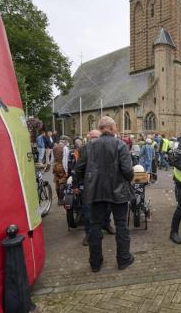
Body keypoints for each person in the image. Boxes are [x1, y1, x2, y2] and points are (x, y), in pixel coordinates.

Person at [73, 117, 135, 272]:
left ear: (100, 129)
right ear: (112, 128)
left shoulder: (88, 147)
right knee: (121, 225)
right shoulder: (120, 145)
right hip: (118, 191)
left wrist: (80, 184)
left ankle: (95, 263)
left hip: (95, 191)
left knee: (95, 226)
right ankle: (123, 259)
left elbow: (78, 169)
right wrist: (129, 179)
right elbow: (127, 170)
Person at [53, 136, 70, 205]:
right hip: (61, 166)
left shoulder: (54, 147)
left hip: (55, 166)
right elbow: (65, 160)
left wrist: (53, 166)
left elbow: (52, 159)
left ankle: (59, 199)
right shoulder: (65, 148)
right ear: (65, 141)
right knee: (62, 183)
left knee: (57, 183)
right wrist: (66, 171)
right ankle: (61, 199)